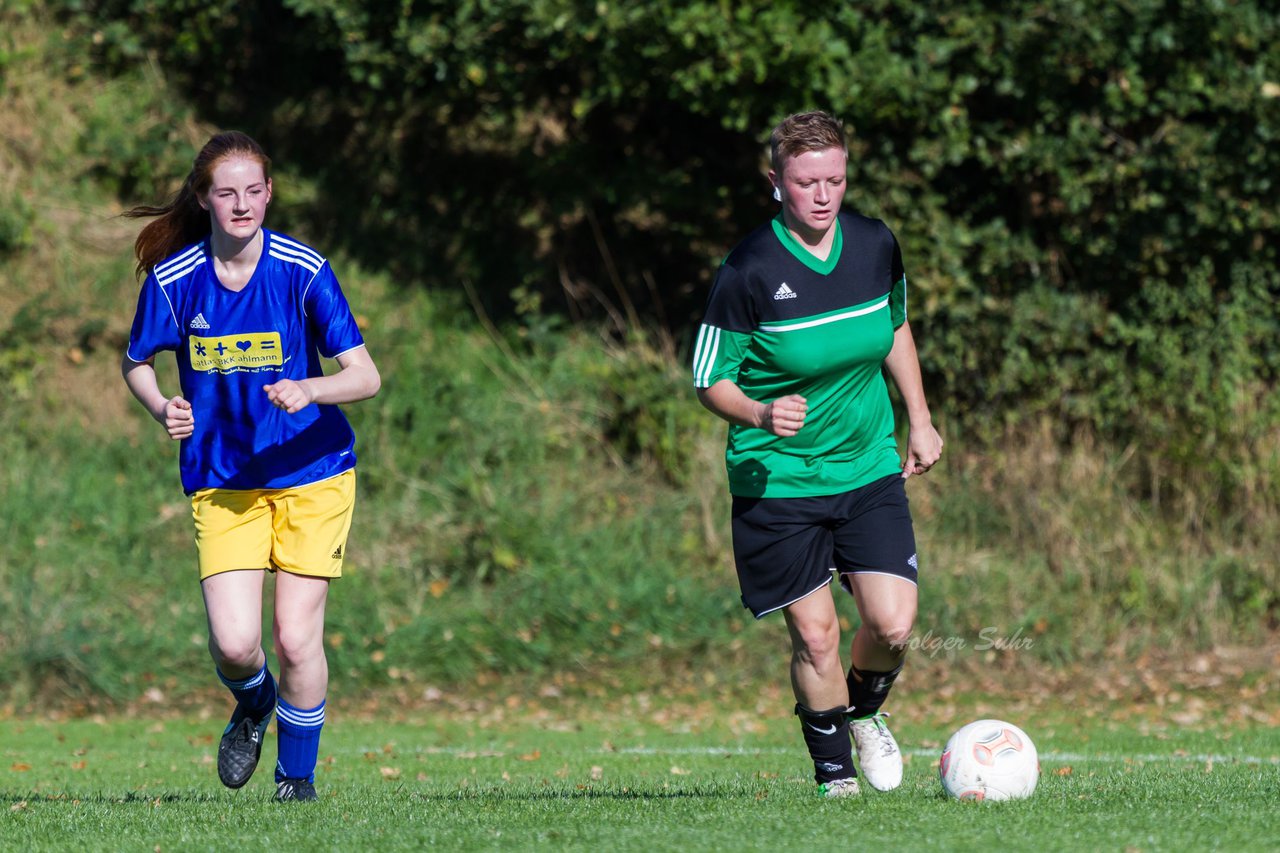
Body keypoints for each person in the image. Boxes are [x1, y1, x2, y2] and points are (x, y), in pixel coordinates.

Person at [121, 131, 381, 802]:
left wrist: (311, 389)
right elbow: (137, 362)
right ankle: (254, 701)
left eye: (254, 190)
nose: (242, 204)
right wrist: (161, 407)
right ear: (204, 198)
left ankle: (297, 780)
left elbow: (365, 376)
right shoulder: (176, 281)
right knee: (237, 646)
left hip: (312, 470)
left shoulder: (302, 269)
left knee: (297, 639)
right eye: (226, 192)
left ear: (269, 193)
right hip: (223, 479)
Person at [692, 111, 943, 798]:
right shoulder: (747, 269)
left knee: (891, 624)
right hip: (778, 478)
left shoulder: (874, 244)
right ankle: (835, 778)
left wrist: (919, 418)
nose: (824, 195)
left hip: (867, 465)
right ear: (776, 182)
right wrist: (758, 411)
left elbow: (893, 327)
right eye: (806, 182)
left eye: (835, 178)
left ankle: (864, 713)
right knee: (817, 635)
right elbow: (708, 376)